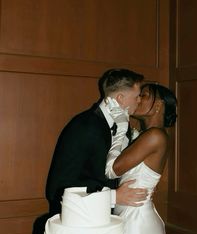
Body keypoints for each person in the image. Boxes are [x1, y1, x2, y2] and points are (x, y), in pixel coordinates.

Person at [105, 83, 177, 234]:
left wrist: (120, 128)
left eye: (144, 95)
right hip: (133, 214)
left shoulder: (155, 135)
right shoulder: (148, 134)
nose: (138, 99)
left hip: (137, 222)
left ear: (159, 105)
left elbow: (113, 169)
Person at [45, 68, 147, 216]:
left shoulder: (122, 126)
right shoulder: (84, 126)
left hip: (106, 218)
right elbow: (57, 188)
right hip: (79, 221)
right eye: (137, 96)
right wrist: (114, 196)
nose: (139, 100)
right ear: (120, 98)